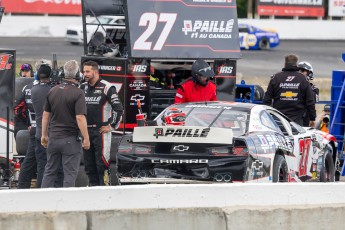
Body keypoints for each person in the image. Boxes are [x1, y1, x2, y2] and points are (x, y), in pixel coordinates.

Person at [41, 60, 90, 188]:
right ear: (78, 74)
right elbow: (80, 118)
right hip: (70, 140)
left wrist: (44, 135)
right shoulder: (78, 93)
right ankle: (67, 205)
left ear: (63, 73)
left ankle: (42, 202)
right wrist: (86, 138)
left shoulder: (53, 90)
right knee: (70, 174)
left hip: (53, 139)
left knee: (49, 171)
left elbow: (46, 115)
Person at [81, 60, 124, 186]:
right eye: (84, 71)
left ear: (95, 72)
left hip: (101, 132)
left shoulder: (107, 87)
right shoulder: (82, 87)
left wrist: (111, 126)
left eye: (88, 71)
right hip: (86, 132)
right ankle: (92, 191)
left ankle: (104, 190)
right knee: (89, 166)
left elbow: (119, 108)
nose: (85, 74)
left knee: (102, 165)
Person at [31, 63, 63, 188]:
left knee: (42, 166)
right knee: (57, 167)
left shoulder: (34, 89)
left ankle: (41, 191)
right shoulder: (53, 90)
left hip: (39, 133)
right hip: (53, 133)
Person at [263, 54, 316, 127]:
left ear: (285, 64)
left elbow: (267, 100)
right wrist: (312, 118)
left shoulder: (276, 77)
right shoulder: (303, 79)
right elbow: (310, 101)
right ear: (296, 64)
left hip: (278, 119)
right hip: (297, 120)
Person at [298, 61, 319, 127]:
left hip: (305, 119)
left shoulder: (313, 88)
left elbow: (312, 103)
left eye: (303, 70)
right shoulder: (289, 86)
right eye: (298, 70)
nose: (300, 72)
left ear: (309, 73)